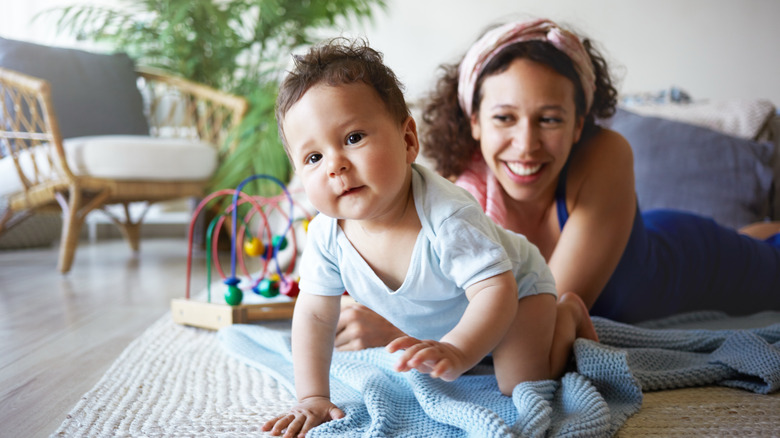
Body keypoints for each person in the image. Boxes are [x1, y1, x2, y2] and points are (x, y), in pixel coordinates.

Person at [334, 17, 780, 351]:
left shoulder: (607, 154)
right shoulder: (454, 199)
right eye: (504, 118)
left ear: (578, 122)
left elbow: (539, 317)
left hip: (692, 260)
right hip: (648, 235)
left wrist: (403, 333)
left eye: (549, 119)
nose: (526, 145)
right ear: (474, 121)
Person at [261, 37, 598, 438]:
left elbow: (496, 291)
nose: (335, 165)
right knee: (467, 359)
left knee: (519, 382)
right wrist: (312, 396)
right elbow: (315, 314)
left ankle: (565, 315)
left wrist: (458, 350)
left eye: (353, 138)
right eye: (313, 157)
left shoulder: (447, 215)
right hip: (453, 312)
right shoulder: (325, 235)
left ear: (408, 141)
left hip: (518, 290)